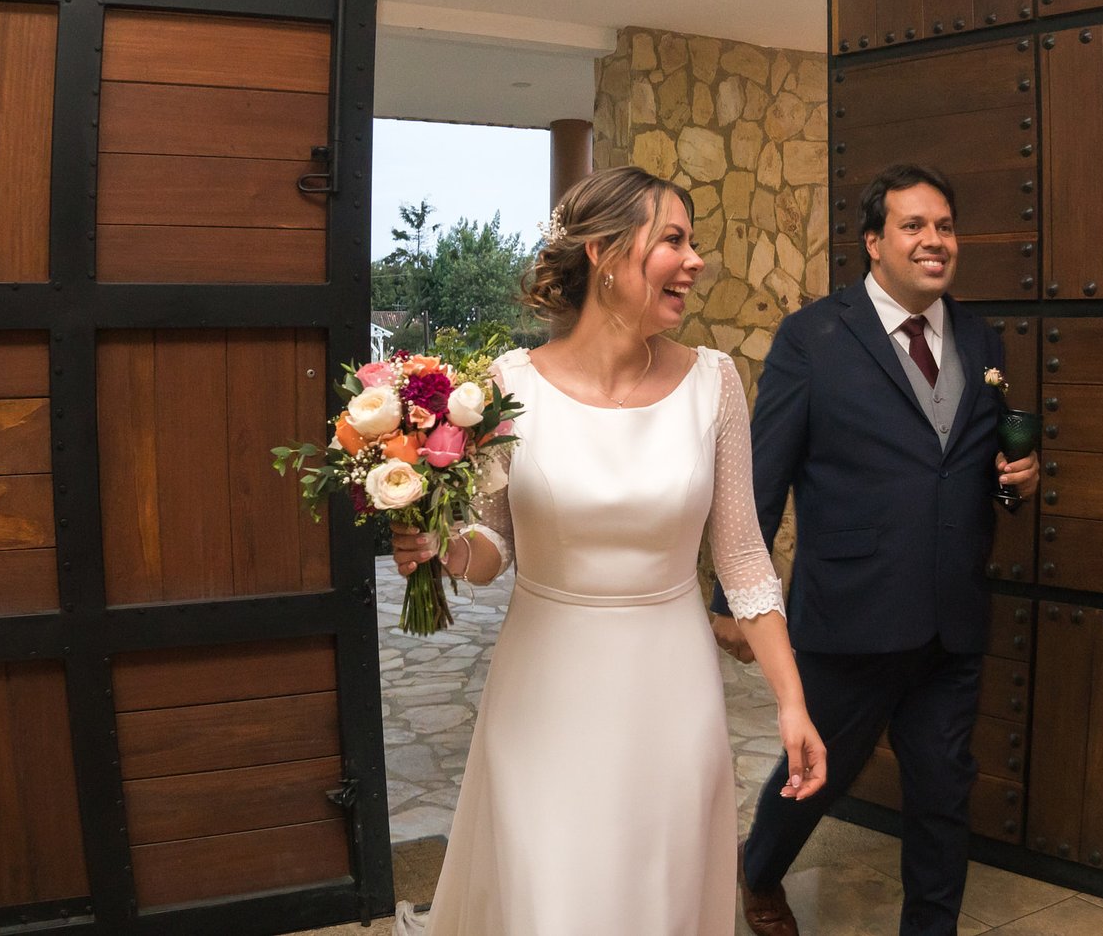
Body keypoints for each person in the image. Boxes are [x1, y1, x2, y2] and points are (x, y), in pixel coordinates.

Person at [391, 165, 827, 936]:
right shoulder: (506, 384)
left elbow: (744, 558)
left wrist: (792, 701)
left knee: (654, 897)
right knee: (549, 896)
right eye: (673, 240)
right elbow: (494, 544)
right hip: (543, 691)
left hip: (671, 690)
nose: (695, 261)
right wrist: (442, 547)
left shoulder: (715, 384)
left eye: (694, 243)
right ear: (604, 252)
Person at [710, 163, 1040, 936]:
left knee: (942, 791)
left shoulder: (980, 336)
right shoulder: (814, 337)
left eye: (945, 226)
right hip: (850, 612)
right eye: (914, 226)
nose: (935, 241)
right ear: (874, 243)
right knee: (815, 774)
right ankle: (758, 871)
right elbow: (765, 474)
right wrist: (732, 597)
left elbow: (973, 460)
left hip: (952, 614)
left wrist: (1015, 480)